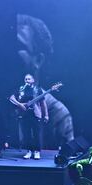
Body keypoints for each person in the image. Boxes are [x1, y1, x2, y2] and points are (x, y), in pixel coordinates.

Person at [16, 14, 74, 144]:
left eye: (19, 46)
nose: (11, 52)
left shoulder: (59, 115)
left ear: (38, 60)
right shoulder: (1, 105)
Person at [9, 73, 48, 159]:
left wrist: (46, 115)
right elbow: (11, 98)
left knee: (36, 134)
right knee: (26, 134)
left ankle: (37, 151)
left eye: (29, 79)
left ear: (33, 80)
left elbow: (43, 103)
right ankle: (29, 151)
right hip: (24, 115)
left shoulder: (37, 90)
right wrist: (20, 105)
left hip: (35, 114)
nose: (27, 80)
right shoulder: (21, 89)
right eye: (26, 79)